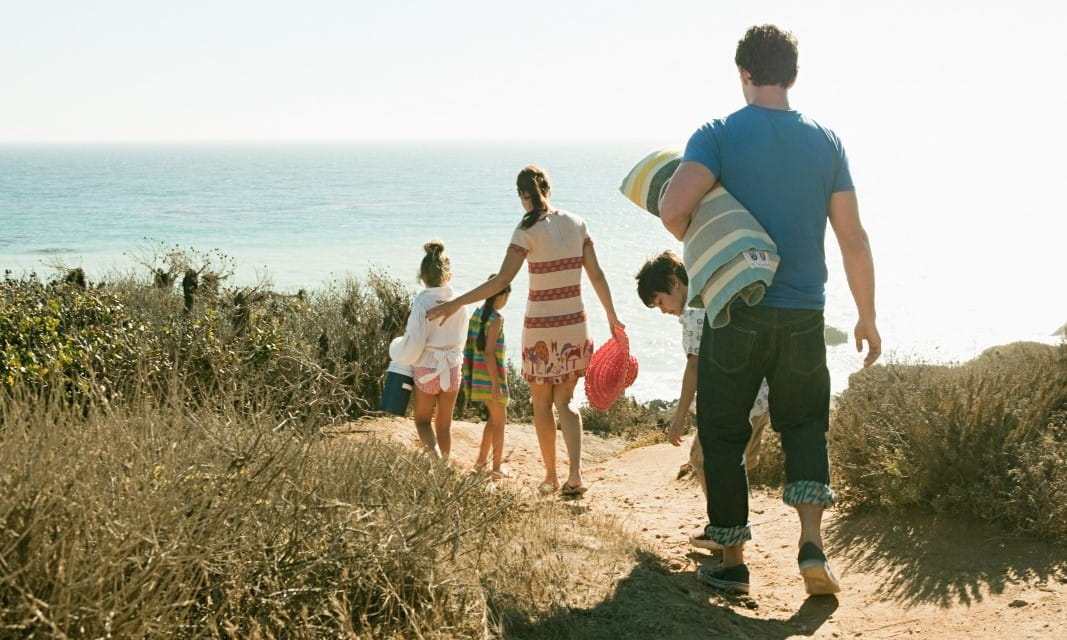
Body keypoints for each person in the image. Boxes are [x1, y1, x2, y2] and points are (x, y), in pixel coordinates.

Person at [659, 25, 881, 596]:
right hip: (805, 312)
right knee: (805, 424)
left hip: (735, 312)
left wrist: (712, 235)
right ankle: (812, 546)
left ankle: (732, 560)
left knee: (725, 431)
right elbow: (852, 238)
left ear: (744, 73)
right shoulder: (826, 142)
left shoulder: (718, 136)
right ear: (793, 74)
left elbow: (673, 208)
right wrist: (867, 315)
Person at [427, 165, 624, 496]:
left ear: (523, 196)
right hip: (575, 324)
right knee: (566, 401)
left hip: (541, 328)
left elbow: (502, 281)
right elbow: (598, 275)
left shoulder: (525, 231)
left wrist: (454, 303)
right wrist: (612, 318)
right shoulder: (577, 223)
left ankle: (551, 476)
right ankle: (575, 475)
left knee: (541, 403)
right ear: (548, 187)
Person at [635, 250, 770, 549]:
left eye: (660, 301)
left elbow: (694, 367)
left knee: (703, 459)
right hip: (759, 396)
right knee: (740, 465)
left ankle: (724, 530)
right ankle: (731, 528)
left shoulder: (694, 313)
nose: (662, 310)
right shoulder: (714, 290)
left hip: (736, 404)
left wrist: (679, 417)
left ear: (674, 282)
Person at [388, 241, 470, 459]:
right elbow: (462, 341)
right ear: (449, 276)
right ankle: (445, 464)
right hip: (452, 368)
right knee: (444, 425)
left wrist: (396, 348)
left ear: (422, 276)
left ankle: (434, 461)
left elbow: (414, 343)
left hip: (426, 369)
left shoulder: (422, 301)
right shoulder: (461, 303)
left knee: (423, 421)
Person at [463, 275, 513, 479]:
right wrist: (496, 383)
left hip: (477, 377)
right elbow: (490, 353)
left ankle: (480, 463)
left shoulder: (477, 314)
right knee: (500, 421)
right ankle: (496, 468)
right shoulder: (496, 319)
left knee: (493, 419)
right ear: (501, 296)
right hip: (491, 378)